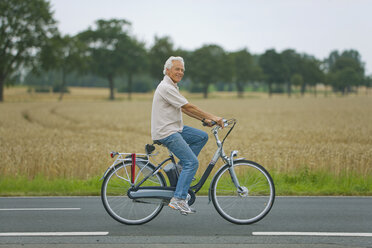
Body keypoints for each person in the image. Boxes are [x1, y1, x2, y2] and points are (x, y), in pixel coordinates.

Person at [151, 56, 224, 214]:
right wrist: (213, 117)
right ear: (167, 70)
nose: (180, 72)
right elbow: (188, 106)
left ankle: (180, 169)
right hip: (167, 131)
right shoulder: (166, 87)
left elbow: (183, 109)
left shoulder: (172, 86)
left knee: (201, 137)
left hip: (175, 128)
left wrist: (204, 119)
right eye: (177, 69)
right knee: (192, 162)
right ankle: (178, 199)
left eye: (182, 70)